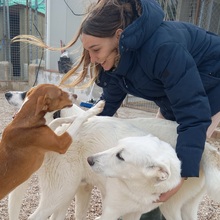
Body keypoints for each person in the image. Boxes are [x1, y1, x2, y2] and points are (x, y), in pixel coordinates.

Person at [13, 0, 220, 219]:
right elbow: (107, 107)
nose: (92, 58)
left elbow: (194, 116)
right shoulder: (118, 55)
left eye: (95, 50)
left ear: (119, 36)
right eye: (88, 51)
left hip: (212, 88)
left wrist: (180, 177)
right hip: (176, 94)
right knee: (152, 156)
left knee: (168, 170)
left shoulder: (163, 48)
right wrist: (73, 138)